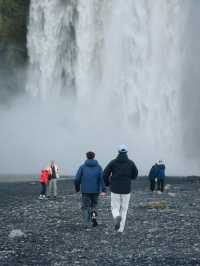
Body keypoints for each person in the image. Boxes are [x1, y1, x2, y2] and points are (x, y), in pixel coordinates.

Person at [103, 144, 138, 233]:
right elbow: (135, 174)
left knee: (114, 207)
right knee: (124, 209)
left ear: (118, 151)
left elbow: (105, 174)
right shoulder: (131, 163)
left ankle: (116, 217)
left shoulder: (113, 162)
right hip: (126, 189)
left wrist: (107, 184)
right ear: (126, 152)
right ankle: (120, 229)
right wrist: (130, 178)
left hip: (115, 188)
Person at [74, 151, 106, 227]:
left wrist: (77, 187)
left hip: (85, 190)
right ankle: (93, 218)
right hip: (95, 190)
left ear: (87, 157)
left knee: (85, 206)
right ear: (94, 157)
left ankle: (86, 223)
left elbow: (77, 179)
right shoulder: (99, 167)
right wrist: (103, 189)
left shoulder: (82, 167)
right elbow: (102, 178)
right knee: (94, 206)